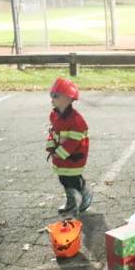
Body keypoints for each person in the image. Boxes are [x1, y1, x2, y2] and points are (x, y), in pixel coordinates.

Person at [46, 77, 92, 215]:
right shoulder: (54, 115)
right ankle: (70, 202)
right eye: (51, 95)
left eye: (55, 95)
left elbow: (73, 141)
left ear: (67, 98)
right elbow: (52, 132)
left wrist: (59, 152)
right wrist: (51, 147)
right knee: (63, 179)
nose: (52, 99)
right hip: (60, 156)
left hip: (73, 157)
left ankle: (86, 195)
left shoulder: (77, 120)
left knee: (73, 180)